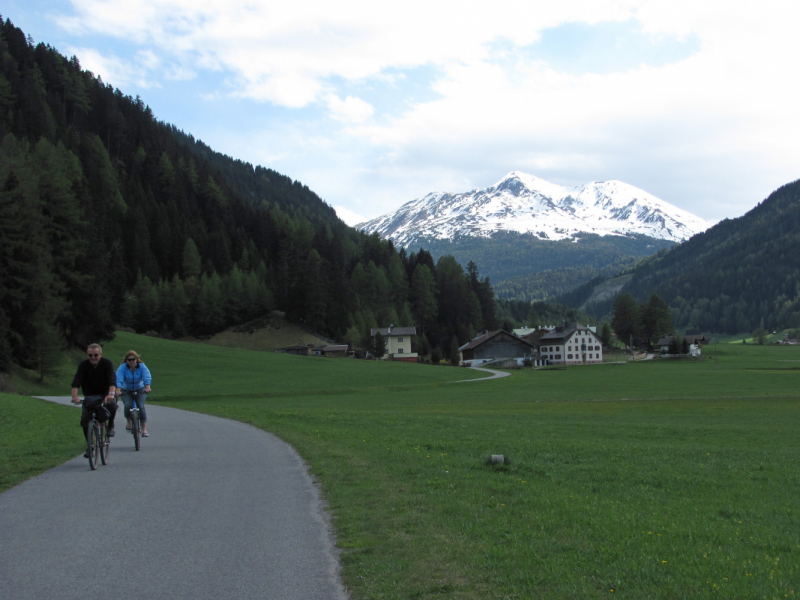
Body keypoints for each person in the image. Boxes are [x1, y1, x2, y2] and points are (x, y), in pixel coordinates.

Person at [71, 343, 118, 455]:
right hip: (90, 396)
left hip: (105, 394)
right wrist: (74, 397)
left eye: (95, 355)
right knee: (85, 420)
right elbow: (76, 381)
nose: (93, 357)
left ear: (100, 355)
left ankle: (110, 425)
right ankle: (90, 445)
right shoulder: (83, 365)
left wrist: (111, 394)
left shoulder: (107, 363)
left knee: (112, 406)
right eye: (90, 355)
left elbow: (112, 379)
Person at [116, 350, 152, 437]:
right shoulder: (123, 367)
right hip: (126, 389)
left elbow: (146, 376)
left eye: (133, 359)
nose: (131, 361)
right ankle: (128, 421)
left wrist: (147, 387)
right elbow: (118, 378)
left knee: (140, 405)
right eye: (129, 360)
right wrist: (118, 390)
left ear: (136, 359)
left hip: (140, 388)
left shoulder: (142, 366)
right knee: (127, 405)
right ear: (126, 361)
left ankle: (144, 429)